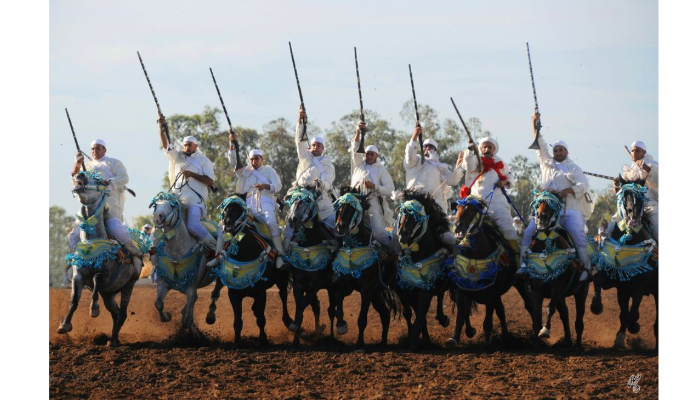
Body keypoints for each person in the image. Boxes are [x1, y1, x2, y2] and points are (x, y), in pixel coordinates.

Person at [517, 112, 592, 281]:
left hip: (570, 209)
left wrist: (568, 191)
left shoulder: (574, 167)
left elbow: (583, 185)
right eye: (555, 150)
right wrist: (535, 124)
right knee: (529, 231)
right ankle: (522, 265)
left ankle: (586, 267)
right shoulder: (546, 163)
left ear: (566, 151)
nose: (557, 152)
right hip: (546, 208)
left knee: (576, 231)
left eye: (561, 150)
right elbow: (540, 144)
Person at [70, 139, 143, 269]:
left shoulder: (113, 162)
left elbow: (124, 178)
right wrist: (77, 164)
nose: (94, 151)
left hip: (110, 206)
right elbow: (75, 180)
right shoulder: (87, 166)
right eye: (92, 148)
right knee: (74, 235)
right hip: (90, 209)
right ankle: (77, 263)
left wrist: (107, 183)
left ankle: (136, 254)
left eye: (98, 148)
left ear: (104, 150)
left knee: (116, 229)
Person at [225, 132, 286, 268]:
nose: (254, 161)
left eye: (256, 159)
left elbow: (278, 186)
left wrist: (266, 186)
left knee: (270, 222)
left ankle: (280, 254)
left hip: (266, 201)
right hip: (247, 204)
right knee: (232, 223)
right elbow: (233, 162)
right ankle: (223, 253)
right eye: (252, 159)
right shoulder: (245, 171)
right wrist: (232, 144)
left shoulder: (269, 171)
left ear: (262, 159)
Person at [456, 136, 520, 264]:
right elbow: (468, 166)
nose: (486, 149)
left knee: (508, 230)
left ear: (494, 149)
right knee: (459, 229)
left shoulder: (500, 163)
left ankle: (518, 262)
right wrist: (471, 150)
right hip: (475, 205)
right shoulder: (474, 160)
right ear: (480, 148)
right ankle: (454, 260)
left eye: (489, 147)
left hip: (497, 204)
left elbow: (510, 178)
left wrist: (504, 181)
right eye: (484, 147)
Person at [157, 115, 217, 251]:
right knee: (160, 218)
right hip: (176, 199)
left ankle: (215, 250)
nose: (186, 147)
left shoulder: (203, 160)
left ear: (196, 146)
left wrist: (192, 175)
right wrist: (161, 127)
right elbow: (165, 145)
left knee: (192, 226)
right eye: (184, 145)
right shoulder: (178, 157)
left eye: (189, 145)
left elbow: (210, 181)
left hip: (195, 201)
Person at [283, 107, 336, 249]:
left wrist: (320, 184)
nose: (315, 147)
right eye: (313, 145)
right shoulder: (305, 157)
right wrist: (300, 121)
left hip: (321, 198)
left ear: (323, 148)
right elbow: (299, 141)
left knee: (335, 224)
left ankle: (338, 249)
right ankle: (284, 252)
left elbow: (328, 182)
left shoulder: (328, 165)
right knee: (290, 222)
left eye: (318, 145)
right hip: (301, 197)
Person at [349, 121, 395, 246]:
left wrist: (373, 186)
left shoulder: (381, 170)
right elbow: (355, 149)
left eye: (371, 154)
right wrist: (358, 130)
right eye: (367, 154)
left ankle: (391, 252)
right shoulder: (359, 164)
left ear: (376, 155)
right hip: (355, 201)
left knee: (378, 232)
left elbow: (390, 189)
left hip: (372, 201)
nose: (369, 156)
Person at [403, 124, 461, 216]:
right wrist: (414, 136)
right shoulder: (416, 160)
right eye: (426, 146)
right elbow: (409, 157)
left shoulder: (441, 167)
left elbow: (453, 180)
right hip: (415, 202)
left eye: (431, 146)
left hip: (436, 205)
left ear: (436, 150)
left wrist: (458, 167)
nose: (428, 148)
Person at [615, 141, 658, 243]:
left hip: (649, 202)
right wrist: (617, 184)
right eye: (632, 150)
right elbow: (623, 189)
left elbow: (658, 180)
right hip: (629, 203)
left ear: (644, 152)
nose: (634, 153)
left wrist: (645, 168)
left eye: (637, 150)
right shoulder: (630, 169)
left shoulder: (653, 164)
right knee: (614, 220)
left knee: (656, 225)